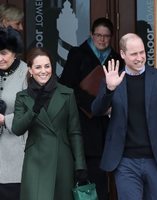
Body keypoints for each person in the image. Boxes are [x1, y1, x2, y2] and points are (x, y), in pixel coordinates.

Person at [91, 33, 157, 200]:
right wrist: (109, 90)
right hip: (125, 161)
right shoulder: (113, 80)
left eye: (142, 52)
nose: (140, 58)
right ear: (122, 54)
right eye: (134, 54)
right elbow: (97, 110)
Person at [59, 17, 124, 199]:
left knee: (101, 176)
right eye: (98, 35)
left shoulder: (116, 58)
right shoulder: (77, 54)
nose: (102, 40)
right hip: (82, 121)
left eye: (106, 36)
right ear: (91, 34)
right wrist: (93, 105)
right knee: (82, 175)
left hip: (106, 124)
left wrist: (109, 106)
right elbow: (67, 87)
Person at [12, 47, 87, 200]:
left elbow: (75, 132)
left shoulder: (67, 93)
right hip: (35, 162)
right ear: (30, 70)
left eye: (47, 66)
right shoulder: (22, 97)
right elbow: (17, 128)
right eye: (38, 67)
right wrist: (34, 109)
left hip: (62, 160)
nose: (43, 71)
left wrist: (80, 165)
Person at [0, 27, 27, 200]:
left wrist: (5, 120)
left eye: (3, 53)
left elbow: (34, 112)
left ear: (15, 52)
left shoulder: (26, 73)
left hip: (15, 155)